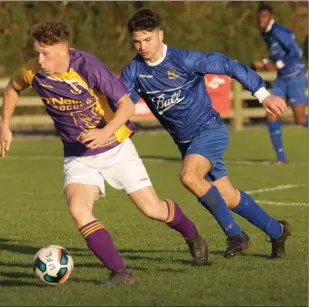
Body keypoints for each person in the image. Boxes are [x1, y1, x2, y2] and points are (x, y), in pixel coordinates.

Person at [0, 21, 209, 286]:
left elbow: (126, 106)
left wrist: (105, 132)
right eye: (37, 52)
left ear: (64, 49)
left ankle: (191, 233)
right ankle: (120, 272)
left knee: (152, 209)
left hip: (116, 148)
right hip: (78, 155)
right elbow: (12, 87)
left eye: (45, 53)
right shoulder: (34, 70)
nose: (39, 60)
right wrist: (5, 124)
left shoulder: (88, 66)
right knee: (78, 208)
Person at [120, 8, 291, 259]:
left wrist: (263, 95)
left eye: (148, 39)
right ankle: (277, 231)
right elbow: (123, 105)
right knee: (228, 197)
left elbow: (228, 65)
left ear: (160, 35)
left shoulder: (185, 60)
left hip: (210, 130)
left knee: (189, 176)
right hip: (186, 144)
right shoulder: (134, 71)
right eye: (137, 41)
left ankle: (235, 234)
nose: (143, 46)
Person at [253, 4, 308, 164]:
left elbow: (297, 52)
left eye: (264, 17)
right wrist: (264, 62)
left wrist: (277, 65)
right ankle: (281, 158)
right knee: (271, 113)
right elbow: (277, 55)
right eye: (259, 17)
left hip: (295, 76)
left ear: (271, 17)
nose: (261, 20)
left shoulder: (279, 31)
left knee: (300, 120)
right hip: (282, 79)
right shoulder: (266, 34)